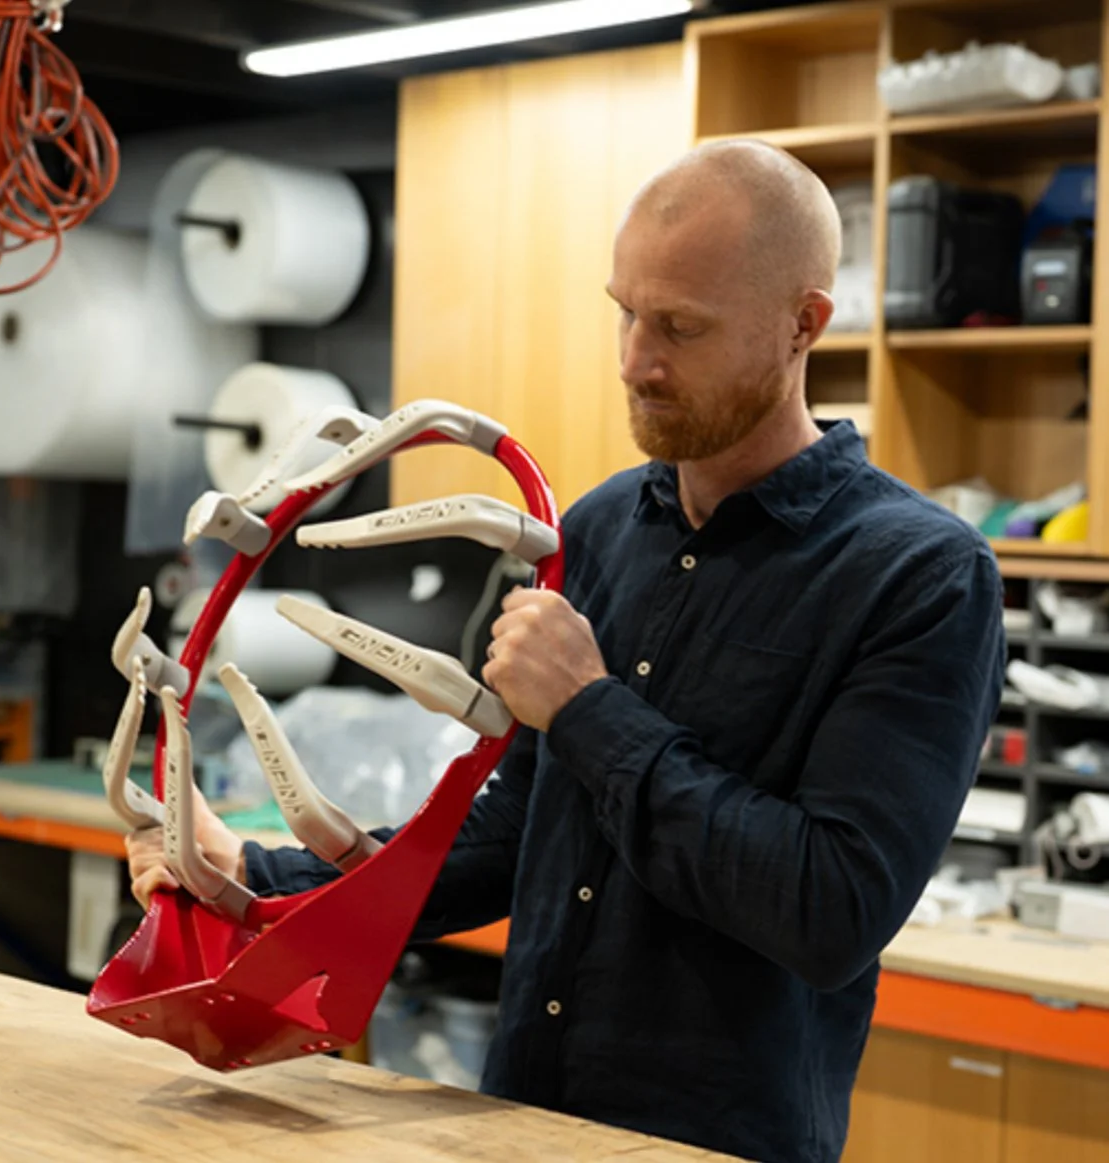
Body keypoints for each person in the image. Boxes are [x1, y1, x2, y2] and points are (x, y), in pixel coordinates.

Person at [128, 140, 1006, 1163]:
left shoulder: (920, 574)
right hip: (523, 1119)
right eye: (625, 311)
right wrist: (258, 874)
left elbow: (832, 906)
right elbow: (511, 837)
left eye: (679, 325)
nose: (636, 358)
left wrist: (589, 709)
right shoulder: (594, 532)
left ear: (804, 323)